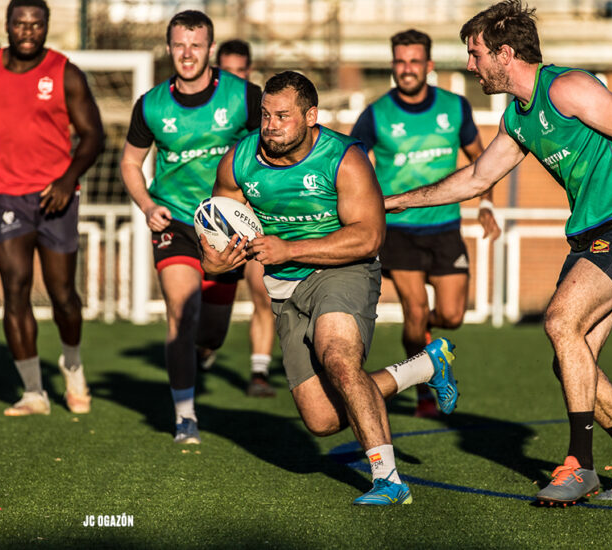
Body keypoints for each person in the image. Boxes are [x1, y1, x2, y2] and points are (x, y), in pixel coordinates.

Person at [385, 0, 612, 505]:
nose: (469, 65)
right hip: (591, 235)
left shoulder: (566, 87)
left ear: (505, 53)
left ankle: (578, 464)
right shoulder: (517, 118)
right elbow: (475, 178)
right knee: (571, 362)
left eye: (474, 54)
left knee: (561, 323)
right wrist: (393, 202)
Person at [201, 71, 459, 505]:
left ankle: (388, 480)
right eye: (265, 115)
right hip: (284, 288)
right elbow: (216, 225)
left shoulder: (344, 158)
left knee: (339, 358)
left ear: (311, 116)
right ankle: (425, 368)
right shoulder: (239, 161)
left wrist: (289, 248)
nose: (271, 125)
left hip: (345, 269)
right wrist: (214, 258)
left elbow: (369, 237)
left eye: (283, 116)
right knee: (321, 419)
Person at [0, 0, 104, 416]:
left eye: (35, 25)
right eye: (19, 24)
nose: (27, 31)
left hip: (54, 195)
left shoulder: (65, 72)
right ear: (7, 25)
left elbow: (94, 136)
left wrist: (68, 179)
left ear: (46, 27)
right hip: (4, 194)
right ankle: (34, 391)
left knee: (62, 295)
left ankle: (72, 364)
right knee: (15, 286)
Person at [120, 11, 263, 443]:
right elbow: (130, 162)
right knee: (182, 313)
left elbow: (270, 149)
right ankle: (185, 415)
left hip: (228, 225)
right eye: (180, 44)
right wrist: (146, 205)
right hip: (175, 219)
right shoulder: (151, 105)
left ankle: (202, 353)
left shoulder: (243, 96)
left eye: (196, 45)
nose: (187, 53)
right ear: (169, 48)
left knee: (212, 330)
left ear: (210, 49)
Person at [351, 29, 500, 418]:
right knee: (415, 312)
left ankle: (429, 351)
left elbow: (481, 160)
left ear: (429, 65)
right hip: (399, 231)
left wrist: (487, 204)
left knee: (452, 316)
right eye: (400, 61)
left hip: (445, 228)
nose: (407, 69)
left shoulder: (455, 107)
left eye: (415, 61)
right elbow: (353, 171)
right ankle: (422, 388)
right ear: (392, 65)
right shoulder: (375, 115)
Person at [217, 38, 276, 397]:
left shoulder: (259, 108)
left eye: (239, 71)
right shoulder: (207, 109)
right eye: (227, 72)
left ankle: (259, 372)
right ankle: (206, 349)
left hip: (252, 215)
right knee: (212, 315)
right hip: (213, 216)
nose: (234, 78)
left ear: (249, 72)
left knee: (261, 293)